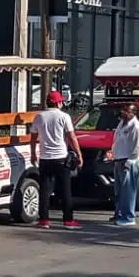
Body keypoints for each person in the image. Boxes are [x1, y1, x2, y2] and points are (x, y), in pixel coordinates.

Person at [30, 89, 83, 229]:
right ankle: (68, 220)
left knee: (45, 190)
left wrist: (33, 154)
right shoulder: (64, 117)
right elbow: (71, 137)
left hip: (45, 157)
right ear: (59, 102)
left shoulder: (39, 117)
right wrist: (79, 154)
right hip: (61, 157)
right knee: (65, 190)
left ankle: (44, 219)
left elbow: (33, 137)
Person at [107, 102, 139, 226]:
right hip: (118, 159)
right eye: (123, 110)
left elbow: (137, 147)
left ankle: (128, 217)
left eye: (127, 111)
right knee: (119, 190)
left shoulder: (136, 127)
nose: (123, 112)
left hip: (128, 161)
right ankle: (119, 214)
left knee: (128, 190)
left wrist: (129, 162)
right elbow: (117, 140)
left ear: (133, 113)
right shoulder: (121, 123)